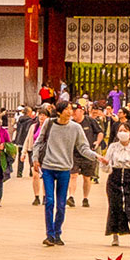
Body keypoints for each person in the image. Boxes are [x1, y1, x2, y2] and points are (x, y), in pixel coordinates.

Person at [30, 100, 96, 247]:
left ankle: (58, 233)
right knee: (49, 201)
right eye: (67, 109)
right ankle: (50, 234)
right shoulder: (49, 124)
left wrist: (96, 156)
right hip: (48, 167)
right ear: (59, 112)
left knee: (61, 204)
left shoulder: (76, 128)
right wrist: (35, 159)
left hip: (65, 169)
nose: (70, 111)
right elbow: (39, 142)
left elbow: (83, 147)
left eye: (70, 109)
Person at [103, 127, 130, 248]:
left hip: (128, 177)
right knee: (114, 206)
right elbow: (106, 165)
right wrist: (105, 164)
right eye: (120, 130)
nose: (122, 133)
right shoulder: (113, 147)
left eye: (125, 130)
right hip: (114, 177)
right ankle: (114, 236)